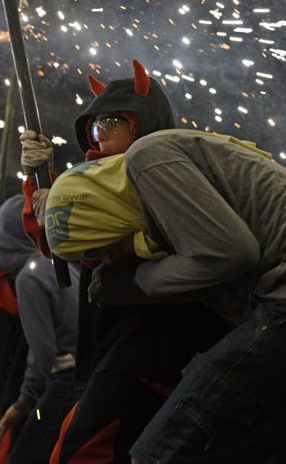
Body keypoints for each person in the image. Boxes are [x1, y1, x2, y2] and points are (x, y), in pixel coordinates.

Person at [44, 129, 286, 463]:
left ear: (102, 215)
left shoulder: (147, 157)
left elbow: (228, 254)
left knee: (161, 453)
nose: (109, 261)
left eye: (102, 251)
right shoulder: (173, 185)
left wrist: (137, 281)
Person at [21, 61, 227, 463]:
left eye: (113, 121)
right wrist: (41, 179)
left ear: (142, 124)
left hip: (158, 343)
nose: (100, 134)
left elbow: (82, 228)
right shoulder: (99, 178)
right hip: (123, 341)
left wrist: (56, 198)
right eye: (96, 125)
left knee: (84, 451)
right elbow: (60, 241)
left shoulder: (163, 168)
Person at [0, 195, 80, 463]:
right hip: (82, 378)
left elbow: (43, 352)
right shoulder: (60, 263)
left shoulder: (29, 277)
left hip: (63, 382)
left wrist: (22, 404)